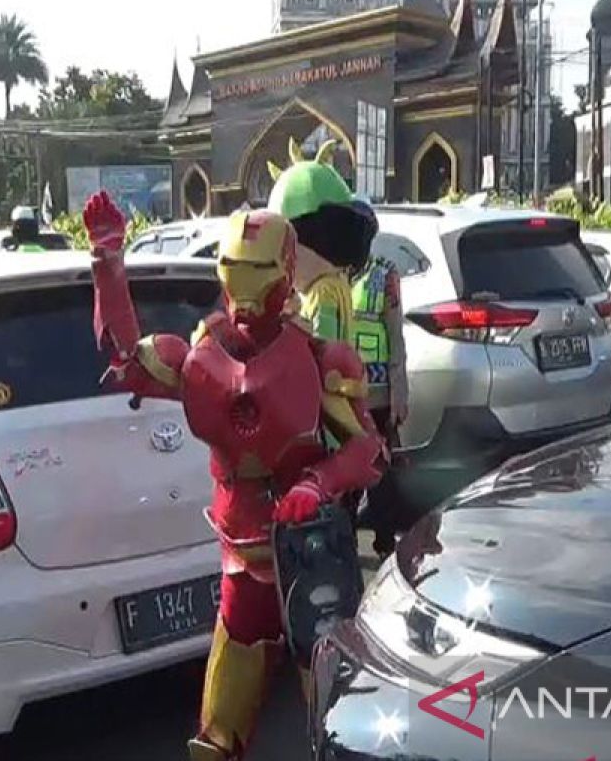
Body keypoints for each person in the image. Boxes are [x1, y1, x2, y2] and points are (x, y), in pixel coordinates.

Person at [81, 192, 384, 761]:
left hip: (310, 561)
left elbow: (369, 451)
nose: (244, 291)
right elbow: (125, 360)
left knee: (346, 733)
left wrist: (316, 484)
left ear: (286, 271)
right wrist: (107, 264)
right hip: (243, 569)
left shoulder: (324, 361)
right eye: (234, 271)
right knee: (216, 741)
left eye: (259, 272)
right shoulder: (201, 354)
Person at [267, 138, 377, 343]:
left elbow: (322, 341)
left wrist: (293, 326)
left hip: (325, 374)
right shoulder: (338, 281)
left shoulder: (322, 292)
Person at [348, 201, 409, 558]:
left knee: (382, 474)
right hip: (341, 394)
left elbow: (395, 336)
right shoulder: (332, 276)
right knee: (346, 475)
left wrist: (400, 394)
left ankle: (386, 546)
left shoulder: (385, 274)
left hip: (379, 394)